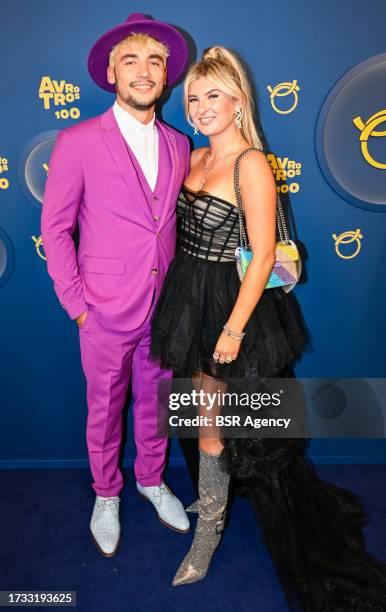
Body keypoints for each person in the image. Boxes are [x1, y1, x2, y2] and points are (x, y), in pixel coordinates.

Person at [149, 46, 386, 610]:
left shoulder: (251, 164)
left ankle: (207, 535)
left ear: (239, 101)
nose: (202, 106)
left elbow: (263, 256)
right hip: (188, 295)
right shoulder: (191, 156)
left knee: (220, 428)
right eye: (193, 97)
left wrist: (233, 331)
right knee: (194, 414)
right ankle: (212, 498)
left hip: (234, 308)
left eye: (214, 94)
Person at [41, 13, 191, 558]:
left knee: (155, 402)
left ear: (167, 75)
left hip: (165, 308)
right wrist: (78, 306)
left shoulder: (178, 144)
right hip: (102, 310)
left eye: (154, 61)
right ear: (112, 71)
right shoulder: (78, 140)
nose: (144, 71)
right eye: (131, 60)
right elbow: (55, 228)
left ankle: (151, 480)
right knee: (104, 408)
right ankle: (107, 493)